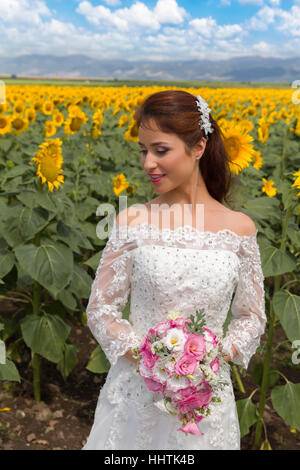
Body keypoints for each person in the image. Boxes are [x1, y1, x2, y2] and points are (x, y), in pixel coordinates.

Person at [82, 90, 266, 450]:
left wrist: (214, 356)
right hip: (137, 395)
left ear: (197, 147)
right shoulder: (132, 221)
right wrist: (151, 355)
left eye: (160, 150)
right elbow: (101, 310)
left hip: (206, 401)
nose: (148, 163)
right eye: (143, 150)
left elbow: (251, 317)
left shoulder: (239, 229)